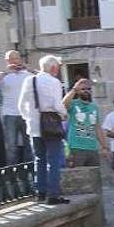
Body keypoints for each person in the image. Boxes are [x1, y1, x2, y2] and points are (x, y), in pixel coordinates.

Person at [17, 54, 69, 205]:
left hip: (34, 127)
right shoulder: (54, 82)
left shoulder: (29, 80)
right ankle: (53, 194)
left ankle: (40, 192)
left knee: (39, 159)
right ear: (53, 68)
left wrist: (29, 117)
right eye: (58, 68)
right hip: (51, 126)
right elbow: (57, 105)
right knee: (53, 160)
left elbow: (21, 104)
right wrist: (64, 115)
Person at [0, 50, 33, 164]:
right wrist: (5, 72)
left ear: (20, 59)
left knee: (29, 144)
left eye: (16, 58)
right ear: (7, 61)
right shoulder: (3, 75)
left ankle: (29, 171)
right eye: (11, 59)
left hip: (25, 114)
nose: (14, 61)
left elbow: (42, 77)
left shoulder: (27, 74)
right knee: (11, 146)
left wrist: (28, 68)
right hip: (9, 114)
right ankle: (12, 174)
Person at [63, 78, 108, 167]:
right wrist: (74, 89)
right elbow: (63, 105)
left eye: (88, 89)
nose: (86, 91)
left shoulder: (94, 107)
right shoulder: (73, 104)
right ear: (78, 91)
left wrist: (104, 146)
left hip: (92, 147)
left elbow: (97, 127)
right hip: (76, 147)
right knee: (78, 177)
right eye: (83, 89)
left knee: (94, 177)